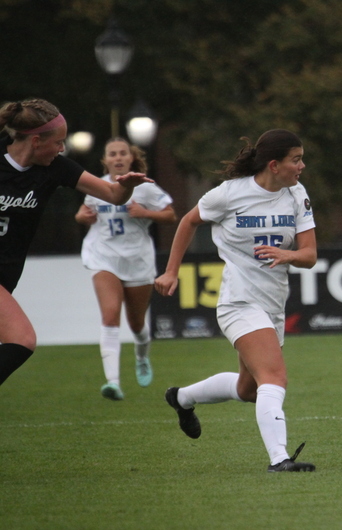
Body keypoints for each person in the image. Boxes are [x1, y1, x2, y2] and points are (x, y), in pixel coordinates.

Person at [155, 129, 317, 473]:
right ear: (274, 165)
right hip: (238, 302)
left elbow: (310, 255)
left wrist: (286, 255)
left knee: (249, 389)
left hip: (272, 305)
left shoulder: (296, 194)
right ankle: (280, 459)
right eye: (296, 159)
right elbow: (188, 221)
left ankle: (181, 398)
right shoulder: (230, 194)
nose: (302, 166)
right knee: (275, 376)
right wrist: (171, 272)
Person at [0, 98, 151, 387]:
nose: (62, 148)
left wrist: (127, 186)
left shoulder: (56, 168)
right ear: (34, 141)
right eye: (58, 142)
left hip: (7, 276)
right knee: (22, 339)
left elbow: (113, 194)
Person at [75, 137, 177, 401]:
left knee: (136, 323)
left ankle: (142, 357)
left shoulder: (144, 187)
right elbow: (82, 213)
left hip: (137, 260)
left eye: (122, 153)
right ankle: (113, 382)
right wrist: (82, 217)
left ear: (131, 158)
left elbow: (170, 215)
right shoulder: (96, 185)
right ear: (105, 160)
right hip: (103, 257)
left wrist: (146, 213)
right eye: (112, 154)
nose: (118, 158)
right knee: (110, 316)